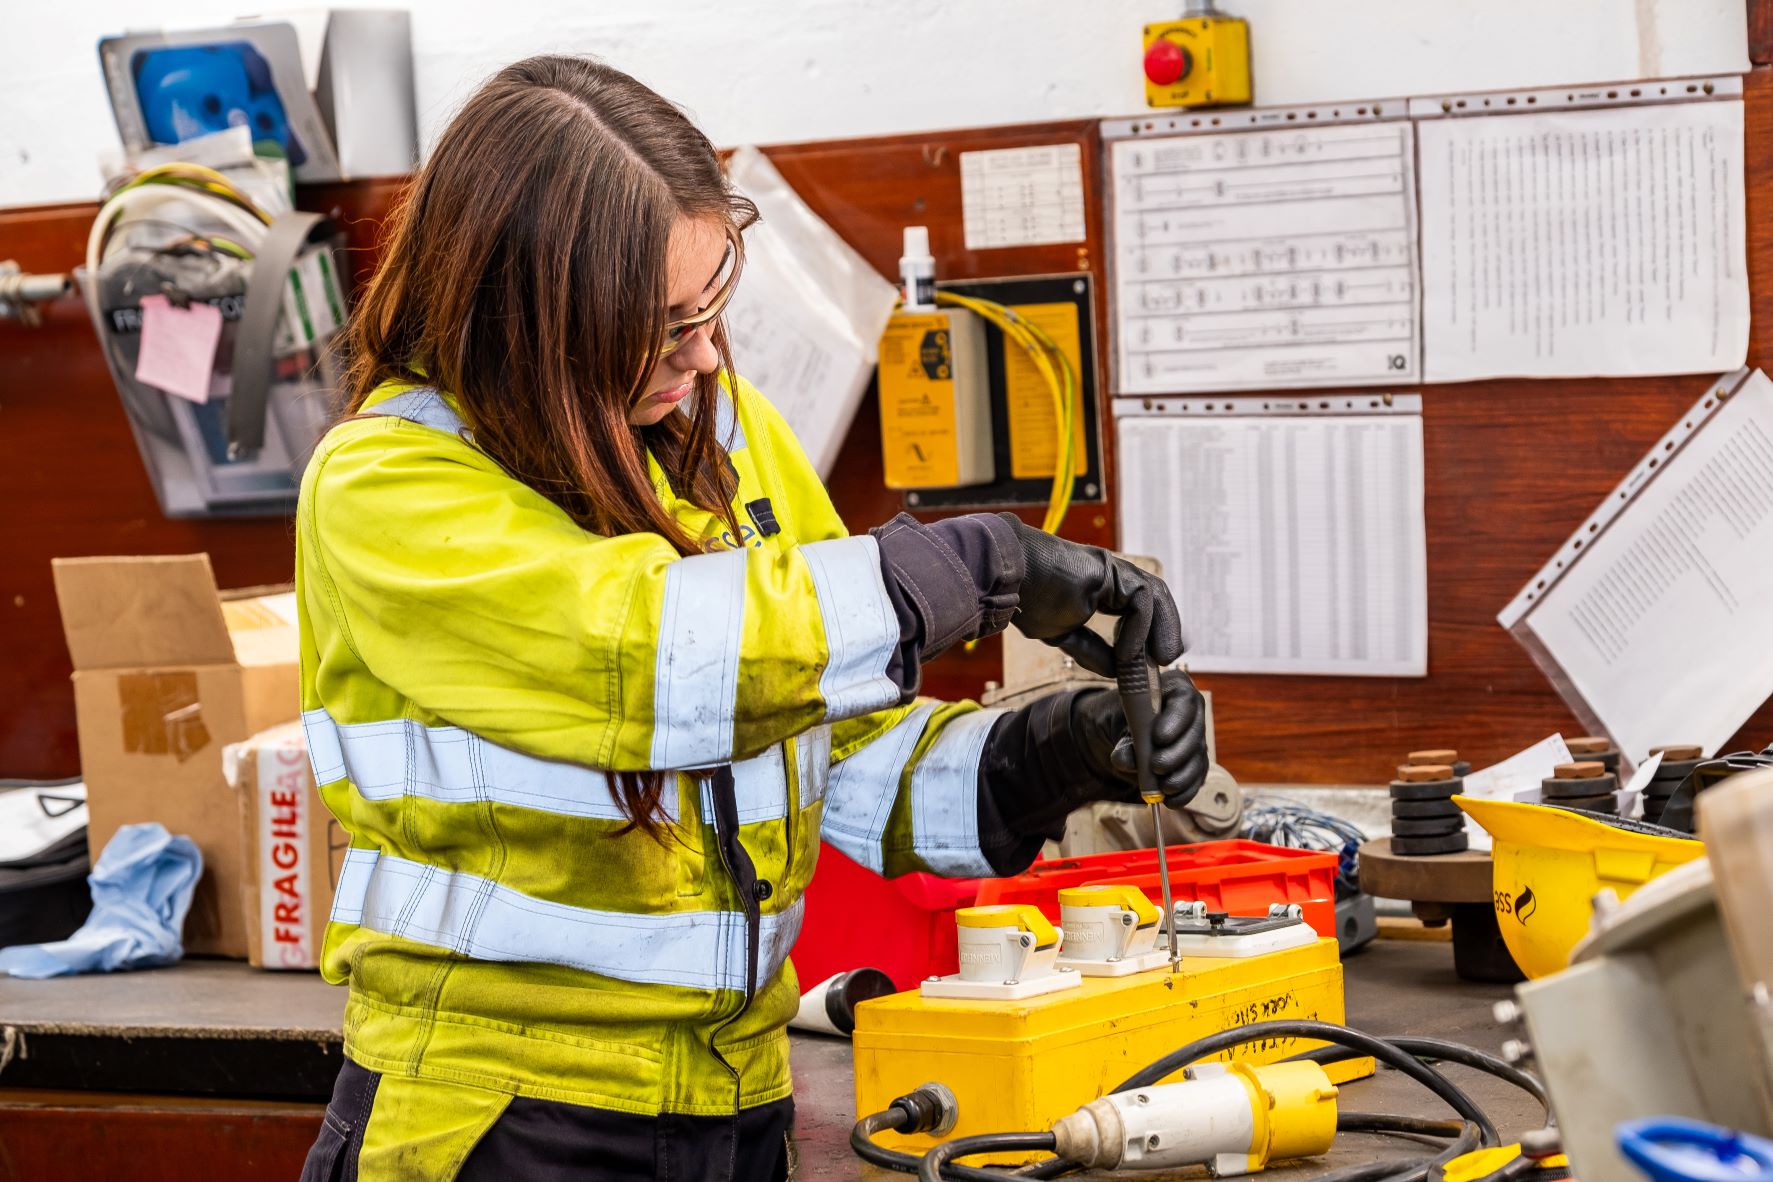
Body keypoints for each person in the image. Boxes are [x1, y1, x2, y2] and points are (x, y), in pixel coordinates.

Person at [296, 54, 1208, 1182]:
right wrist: (978, 565)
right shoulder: (388, 486)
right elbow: (654, 659)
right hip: (503, 1117)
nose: (707, 354)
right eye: (659, 324)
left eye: (712, 305)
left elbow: (834, 742)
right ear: (532, 317)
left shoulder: (723, 442)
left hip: (735, 1107)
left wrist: (1050, 754)